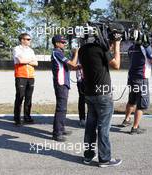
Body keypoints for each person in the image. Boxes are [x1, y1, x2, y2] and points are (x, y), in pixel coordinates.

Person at [78, 33, 122, 167]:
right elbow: (117, 65)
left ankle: (88, 155)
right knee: (103, 127)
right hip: (103, 95)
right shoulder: (101, 49)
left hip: (89, 94)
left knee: (90, 127)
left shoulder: (82, 50)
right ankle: (104, 159)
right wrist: (117, 44)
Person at [121, 33, 152, 134]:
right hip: (141, 78)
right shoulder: (145, 47)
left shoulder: (131, 48)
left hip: (132, 77)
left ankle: (127, 119)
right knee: (142, 104)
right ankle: (135, 127)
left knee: (132, 100)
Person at [51, 35, 79, 142]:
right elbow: (72, 64)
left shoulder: (60, 53)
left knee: (63, 108)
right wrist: (76, 53)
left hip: (64, 82)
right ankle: (57, 133)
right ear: (57, 43)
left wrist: (78, 65)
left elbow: (71, 66)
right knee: (61, 108)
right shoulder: (56, 52)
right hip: (60, 83)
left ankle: (61, 129)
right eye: (62, 42)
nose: (64, 44)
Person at [13, 33, 38, 126]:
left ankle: (27, 117)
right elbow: (20, 61)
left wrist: (27, 60)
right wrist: (30, 60)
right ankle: (17, 118)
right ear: (22, 40)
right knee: (20, 97)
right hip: (21, 76)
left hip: (31, 76)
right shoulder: (17, 49)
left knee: (29, 98)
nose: (29, 41)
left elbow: (36, 63)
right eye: (28, 39)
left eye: (30, 39)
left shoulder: (31, 50)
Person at [76, 61, 86, 127]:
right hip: (81, 80)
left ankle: (92, 118)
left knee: (92, 100)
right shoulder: (77, 53)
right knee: (82, 99)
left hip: (91, 80)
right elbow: (74, 65)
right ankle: (82, 119)